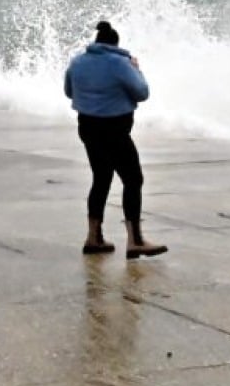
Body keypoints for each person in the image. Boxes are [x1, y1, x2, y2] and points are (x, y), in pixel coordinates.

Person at [64, 21, 167, 259]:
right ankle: (135, 241)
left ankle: (94, 237)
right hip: (114, 129)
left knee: (101, 179)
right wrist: (137, 70)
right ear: (115, 44)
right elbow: (142, 93)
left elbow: (69, 92)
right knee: (133, 179)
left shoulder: (77, 62)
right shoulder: (120, 63)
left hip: (87, 127)